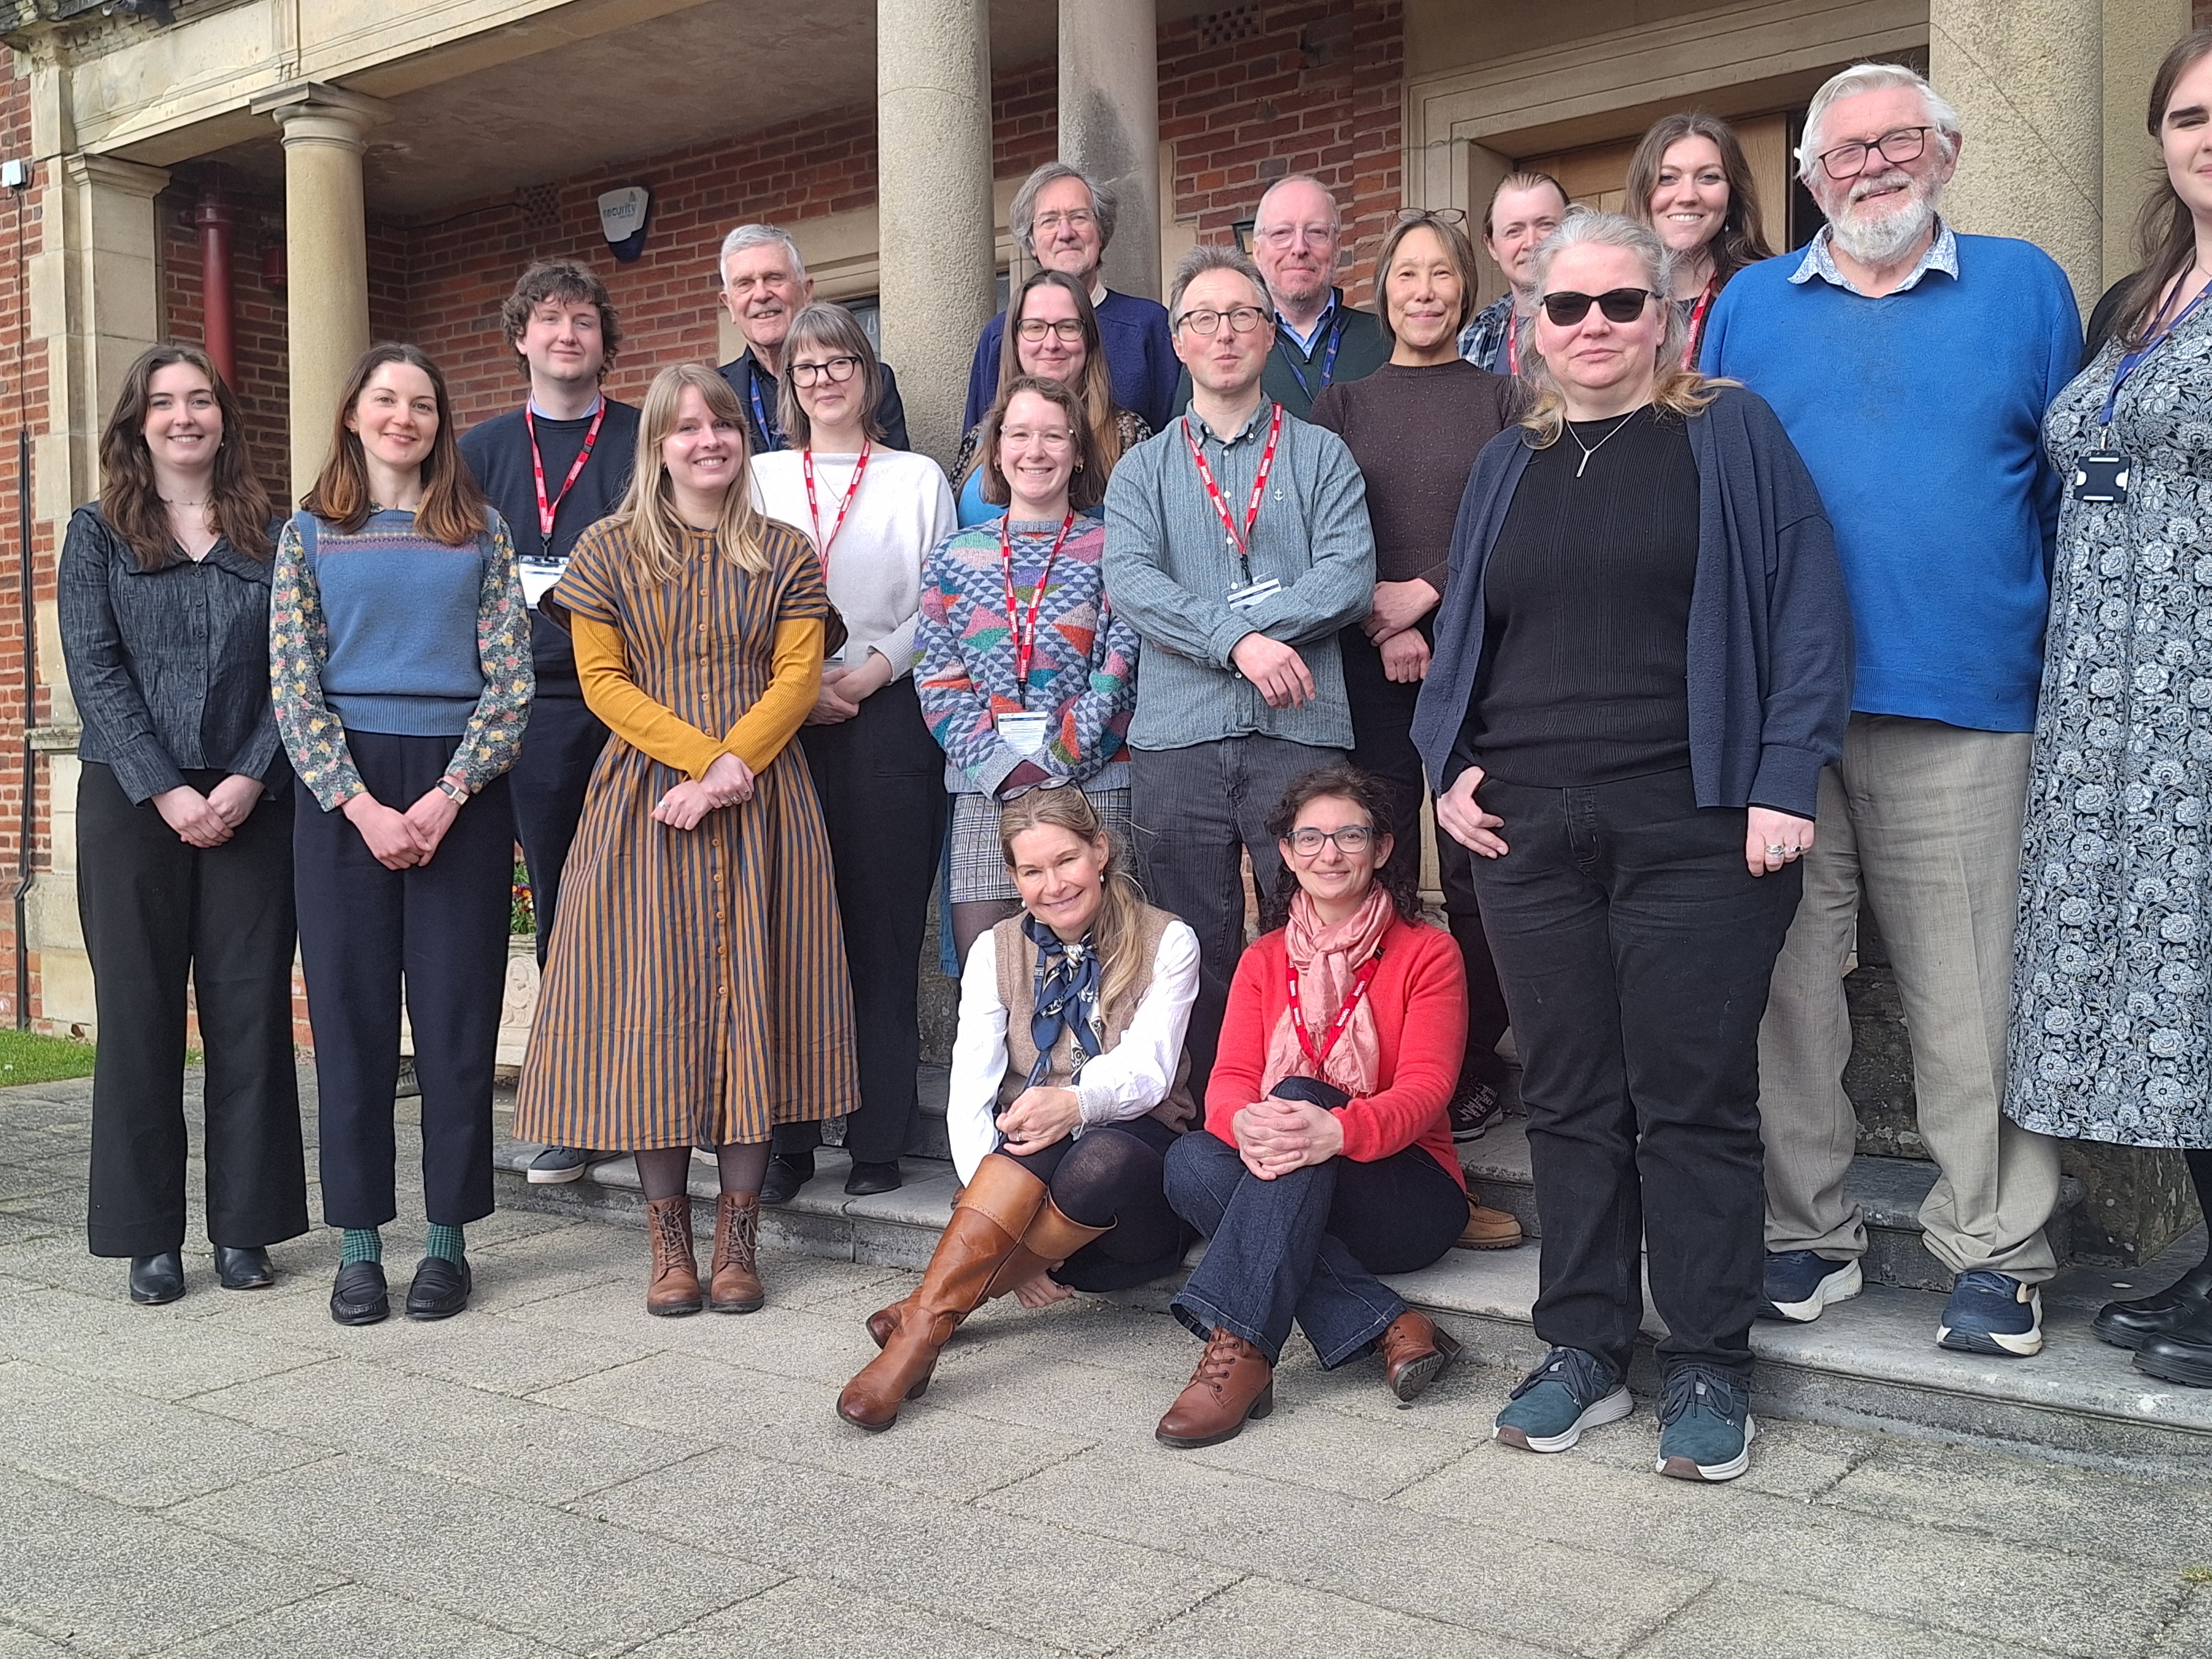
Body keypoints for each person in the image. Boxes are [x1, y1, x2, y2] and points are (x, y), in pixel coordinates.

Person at [1414, 207, 1850, 1482]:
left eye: (1620, 304)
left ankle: (1708, 1358)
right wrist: (1446, 767)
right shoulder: (1511, 461)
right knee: (1566, 1095)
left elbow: (1805, 603)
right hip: (1530, 828)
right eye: (1567, 307)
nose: (1593, 327)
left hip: (1694, 816)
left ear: (1664, 317)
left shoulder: (1727, 434)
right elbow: (1467, 638)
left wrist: (1782, 777)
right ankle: (1584, 1347)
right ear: (1531, 326)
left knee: (1691, 1097)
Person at [1701, 61, 2080, 1357]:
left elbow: (2056, 490)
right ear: (1806, 179)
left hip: (1964, 696)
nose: (1868, 166)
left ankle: (1994, 1248)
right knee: (1785, 987)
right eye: (1841, 152)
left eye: (1894, 142)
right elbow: (1714, 499)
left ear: (1945, 152)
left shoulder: (2022, 288)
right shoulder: (1748, 307)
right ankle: (1804, 1236)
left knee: (1971, 991)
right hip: (1782, 717)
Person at [514, 364, 854, 1317]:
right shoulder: (608, 550)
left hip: (764, 802)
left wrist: (732, 767)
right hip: (646, 801)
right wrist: (708, 762)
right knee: (653, 1014)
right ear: (657, 444)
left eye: (724, 426)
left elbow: (796, 680)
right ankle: (668, 1244)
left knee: (753, 1004)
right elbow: (603, 685)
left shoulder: (784, 550)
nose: (708, 441)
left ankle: (738, 1241)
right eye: (687, 428)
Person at [2013, 27, 2212, 1390]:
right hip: (2110, 701)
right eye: (2189, 113)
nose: (2206, 132)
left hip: (2194, 689)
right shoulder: (2135, 299)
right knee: (2169, 984)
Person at [272, 342, 532, 1328]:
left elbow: (510, 679)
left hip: (456, 794)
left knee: (458, 1023)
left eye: (422, 404)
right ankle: (357, 1244)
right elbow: (293, 688)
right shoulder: (308, 536)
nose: (404, 417)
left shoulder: (479, 532)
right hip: (346, 799)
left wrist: (450, 793)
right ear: (353, 414)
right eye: (387, 400)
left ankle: (446, 1242)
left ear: (439, 423)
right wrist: (365, 804)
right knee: (350, 1024)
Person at [59, 344, 306, 1306]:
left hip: (254, 803)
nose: (183, 416)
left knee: (250, 1016)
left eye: (199, 400)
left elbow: (298, 672)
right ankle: (146, 1237)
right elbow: (96, 667)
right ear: (138, 423)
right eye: (163, 403)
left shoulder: (274, 536)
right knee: (142, 1014)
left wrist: (247, 779)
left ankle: (248, 1229)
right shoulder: (98, 531)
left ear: (222, 419)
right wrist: (167, 789)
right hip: (131, 803)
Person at [837, 788, 1201, 1430]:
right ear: (1013, 878)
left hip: (1132, 1200)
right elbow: (971, 1082)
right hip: (1036, 1193)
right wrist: (999, 1225)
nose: (1054, 885)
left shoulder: (1167, 940)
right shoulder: (996, 949)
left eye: (1066, 862)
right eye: (1032, 871)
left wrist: (1075, 1101)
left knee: (1098, 1150)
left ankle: (924, 1314)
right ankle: (926, 1333)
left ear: (1101, 852)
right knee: (1031, 1133)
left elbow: (1149, 1072)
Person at [1103, 244, 1375, 1088]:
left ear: (1267, 335)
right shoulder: (1141, 471)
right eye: (1202, 319)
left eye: (1242, 316)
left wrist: (1246, 631)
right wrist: (1241, 643)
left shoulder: (1322, 454)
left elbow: (1349, 573)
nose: (1223, 333)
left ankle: (1321, 1100)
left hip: (1300, 733)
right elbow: (1133, 583)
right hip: (1178, 741)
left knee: (1321, 923)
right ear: (1179, 342)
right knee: (1191, 941)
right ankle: (1214, 1115)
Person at [1152, 767, 1468, 1448]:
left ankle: (1237, 1352)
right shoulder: (1265, 958)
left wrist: (1338, 1129)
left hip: (1406, 1192)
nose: (1330, 853)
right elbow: (1231, 1078)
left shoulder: (1428, 952)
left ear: (1382, 848)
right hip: (1298, 1177)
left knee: (1295, 1100)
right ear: (1288, 855)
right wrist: (1240, 1121)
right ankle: (1390, 1323)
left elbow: (1425, 1091)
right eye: (1311, 839)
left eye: (1349, 836)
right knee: (1189, 1162)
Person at [1309, 211, 1523, 1195]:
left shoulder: (1502, 400)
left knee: (1481, 876)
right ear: (1383, 291)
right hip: (1366, 669)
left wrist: (1423, 601)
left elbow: (1509, 521)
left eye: (1443, 275)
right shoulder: (1342, 405)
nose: (1426, 291)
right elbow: (1321, 534)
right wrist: (1381, 622)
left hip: (1483, 662)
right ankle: (1381, 1062)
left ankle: (1474, 1064)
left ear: (1465, 290)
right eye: (1407, 275)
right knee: (1371, 867)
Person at [749, 303, 956, 1203]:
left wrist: (867, 675)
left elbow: (941, 596)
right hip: (778, 723)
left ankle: (877, 1139)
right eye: (806, 368)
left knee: (881, 934)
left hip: (888, 715)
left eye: (841, 363)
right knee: (792, 935)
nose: (825, 379)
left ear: (868, 377)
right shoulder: (757, 480)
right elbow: (738, 591)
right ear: (787, 386)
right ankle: (791, 1142)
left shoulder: (916, 480)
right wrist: (799, 683)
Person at [458, 260, 639, 1187]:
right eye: (550, 320)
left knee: (643, 904)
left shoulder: (645, 440)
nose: (568, 334)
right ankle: (570, 1108)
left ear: (606, 342)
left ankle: (652, 1098)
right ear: (521, 336)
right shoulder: (480, 452)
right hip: (524, 707)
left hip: (637, 705)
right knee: (561, 910)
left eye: (584, 321)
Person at [918, 375, 1140, 966]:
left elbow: (1120, 668)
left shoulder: (1115, 549)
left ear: (1079, 450)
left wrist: (1057, 763)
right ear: (996, 451)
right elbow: (938, 679)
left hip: (1094, 788)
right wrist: (1005, 768)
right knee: (994, 985)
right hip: (985, 788)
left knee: (1106, 983)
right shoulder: (953, 557)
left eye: (1053, 436)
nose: (1034, 451)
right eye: (1018, 434)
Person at [962, 162, 1178, 434]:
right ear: (1031, 243)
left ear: (1101, 232)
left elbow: (1173, 443)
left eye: (1079, 217)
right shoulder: (1000, 335)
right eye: (1050, 221)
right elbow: (979, 447)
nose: (1065, 233)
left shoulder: (1150, 326)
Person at [1172, 176, 1390, 421]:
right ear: (1257, 250)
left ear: (1337, 247)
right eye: (1282, 233)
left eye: (1316, 232)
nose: (1299, 248)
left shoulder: (1384, 340)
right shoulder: (1224, 347)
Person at [949, 271, 1152, 527]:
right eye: (1035, 327)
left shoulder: (1129, 436)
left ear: (1089, 339)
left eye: (1067, 327)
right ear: (1015, 340)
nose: (1052, 343)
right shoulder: (981, 437)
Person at [715, 223, 910, 453]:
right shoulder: (716, 392)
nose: (761, 294)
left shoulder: (870, 380)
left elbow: (895, 475)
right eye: (745, 284)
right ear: (729, 304)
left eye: (774, 278)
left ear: (807, 291)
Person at [1624, 112, 1774, 367]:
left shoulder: (1767, 292)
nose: (1687, 196)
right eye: (1667, 178)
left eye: (1709, 177)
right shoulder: (1612, 298)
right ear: (1643, 194)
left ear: (1733, 199)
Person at [1458, 172, 1570, 374]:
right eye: (1514, 231)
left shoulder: (1606, 319)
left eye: (1546, 225)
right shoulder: (1477, 335)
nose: (1531, 243)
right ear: (1491, 246)